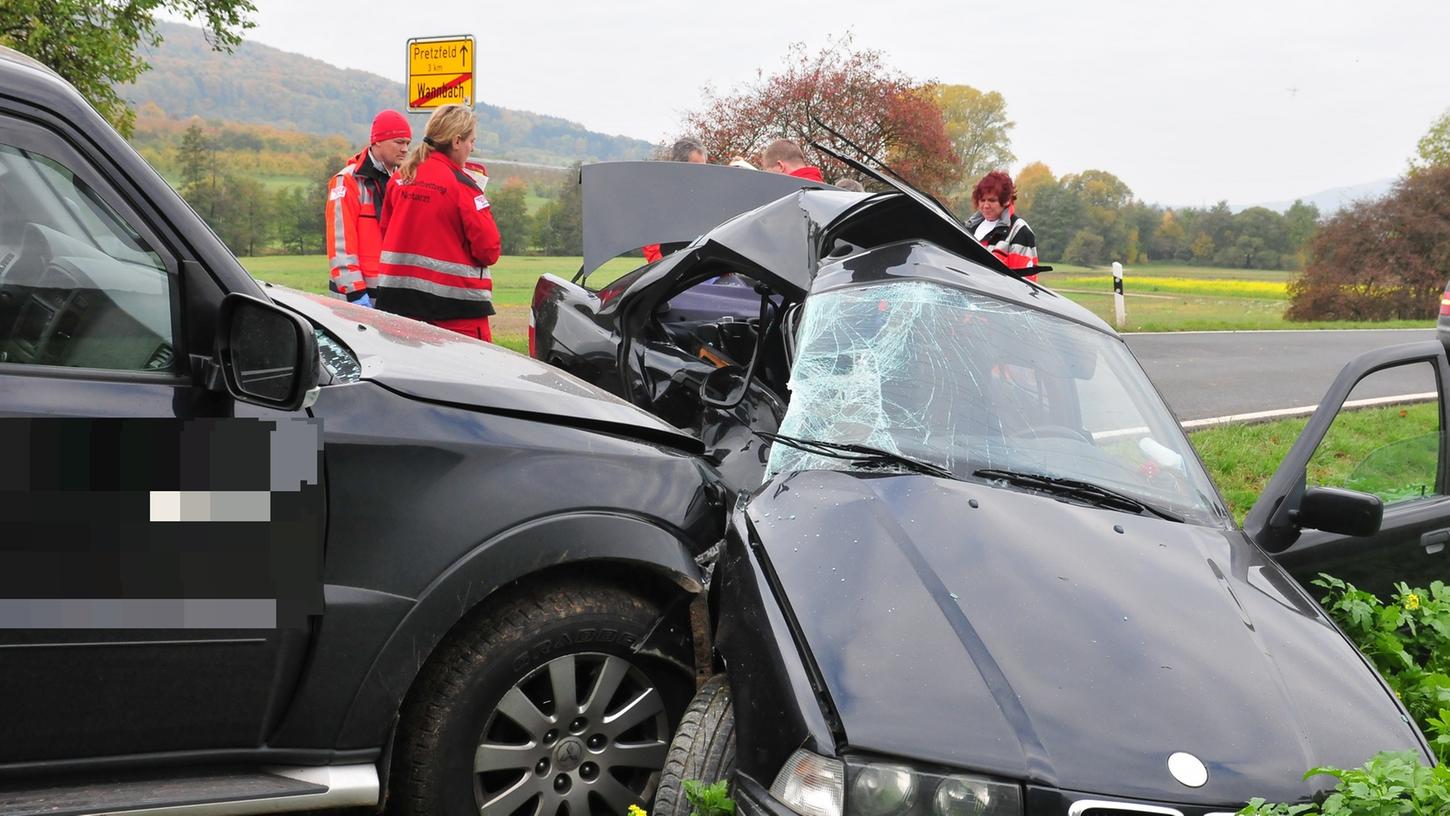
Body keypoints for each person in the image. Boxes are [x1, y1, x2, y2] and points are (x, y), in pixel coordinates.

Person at [376, 104, 502, 341]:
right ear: (456, 141)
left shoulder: (400, 178)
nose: (471, 148)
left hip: (397, 304)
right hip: (456, 311)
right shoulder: (464, 186)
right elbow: (489, 251)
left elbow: (386, 232)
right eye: (471, 141)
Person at [326, 110, 412, 306]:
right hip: (355, 297)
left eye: (408, 143)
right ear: (377, 141)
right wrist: (354, 292)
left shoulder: (403, 182)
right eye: (399, 142)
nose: (405, 149)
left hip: (389, 294)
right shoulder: (347, 181)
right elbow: (341, 243)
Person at [963, 170, 1039, 281]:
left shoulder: (1020, 231)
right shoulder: (968, 227)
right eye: (982, 200)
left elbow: (1024, 283)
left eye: (992, 200)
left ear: (1006, 201)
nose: (985, 205)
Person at [643, 138, 709, 263]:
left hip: (705, 269)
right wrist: (661, 270)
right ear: (680, 166)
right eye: (696, 168)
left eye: (704, 168)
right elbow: (651, 244)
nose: (701, 174)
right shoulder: (661, 197)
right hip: (673, 271)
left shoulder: (707, 195)